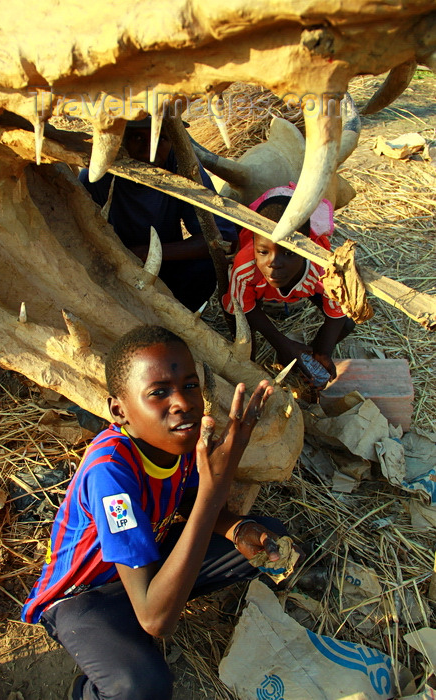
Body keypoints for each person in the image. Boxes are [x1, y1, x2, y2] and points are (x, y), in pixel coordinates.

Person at [21, 325, 297, 700]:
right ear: (120, 410)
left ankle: (145, 609)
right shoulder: (110, 472)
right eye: (158, 393)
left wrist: (237, 529)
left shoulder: (178, 441)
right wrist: (213, 493)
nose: (182, 403)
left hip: (147, 559)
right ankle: (87, 691)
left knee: (269, 538)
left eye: (189, 385)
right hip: (86, 597)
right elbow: (157, 623)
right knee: (143, 688)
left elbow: (187, 503)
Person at [79, 118, 237, 312]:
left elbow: (223, 237)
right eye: (137, 138)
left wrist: (146, 254)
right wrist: (124, 258)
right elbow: (81, 240)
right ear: (121, 140)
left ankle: (180, 320)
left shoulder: (183, 167)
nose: (149, 151)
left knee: (205, 267)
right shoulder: (95, 176)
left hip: (168, 267)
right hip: (115, 272)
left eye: (160, 139)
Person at [222, 185, 355, 385]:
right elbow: (242, 306)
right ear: (255, 245)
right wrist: (281, 344)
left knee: (346, 323)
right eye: (263, 252)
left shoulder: (321, 269)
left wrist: (324, 352)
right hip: (257, 288)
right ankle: (261, 361)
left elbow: (337, 311)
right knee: (241, 326)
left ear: (305, 249)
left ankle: (308, 355)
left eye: (289, 253)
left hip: (305, 279)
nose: (274, 263)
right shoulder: (246, 267)